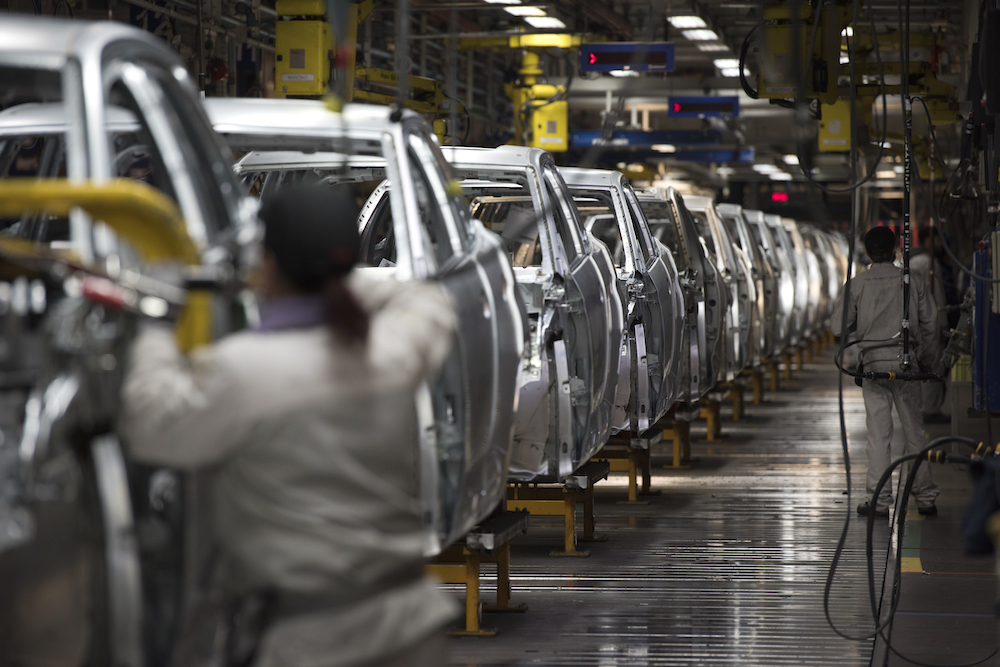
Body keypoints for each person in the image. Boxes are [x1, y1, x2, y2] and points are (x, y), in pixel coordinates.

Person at [120, 184, 458, 666]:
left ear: (269, 264)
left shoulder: (243, 372)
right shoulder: (389, 353)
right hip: (410, 628)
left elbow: (149, 424)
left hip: (312, 643)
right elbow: (426, 300)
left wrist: (158, 317)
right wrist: (336, 279)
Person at [831, 226, 940, 517]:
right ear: (896, 250)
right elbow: (930, 324)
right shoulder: (912, 281)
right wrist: (927, 361)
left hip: (874, 370)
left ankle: (879, 502)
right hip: (907, 364)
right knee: (915, 433)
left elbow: (836, 327)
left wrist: (861, 320)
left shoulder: (858, 284)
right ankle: (926, 498)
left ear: (867, 252)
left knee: (878, 436)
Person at [910, 225, 955, 423]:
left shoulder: (921, 262)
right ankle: (930, 409)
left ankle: (929, 407)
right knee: (933, 366)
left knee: (930, 366)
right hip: (929, 324)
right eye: (937, 240)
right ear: (928, 241)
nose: (940, 245)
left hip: (925, 323)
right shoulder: (925, 263)